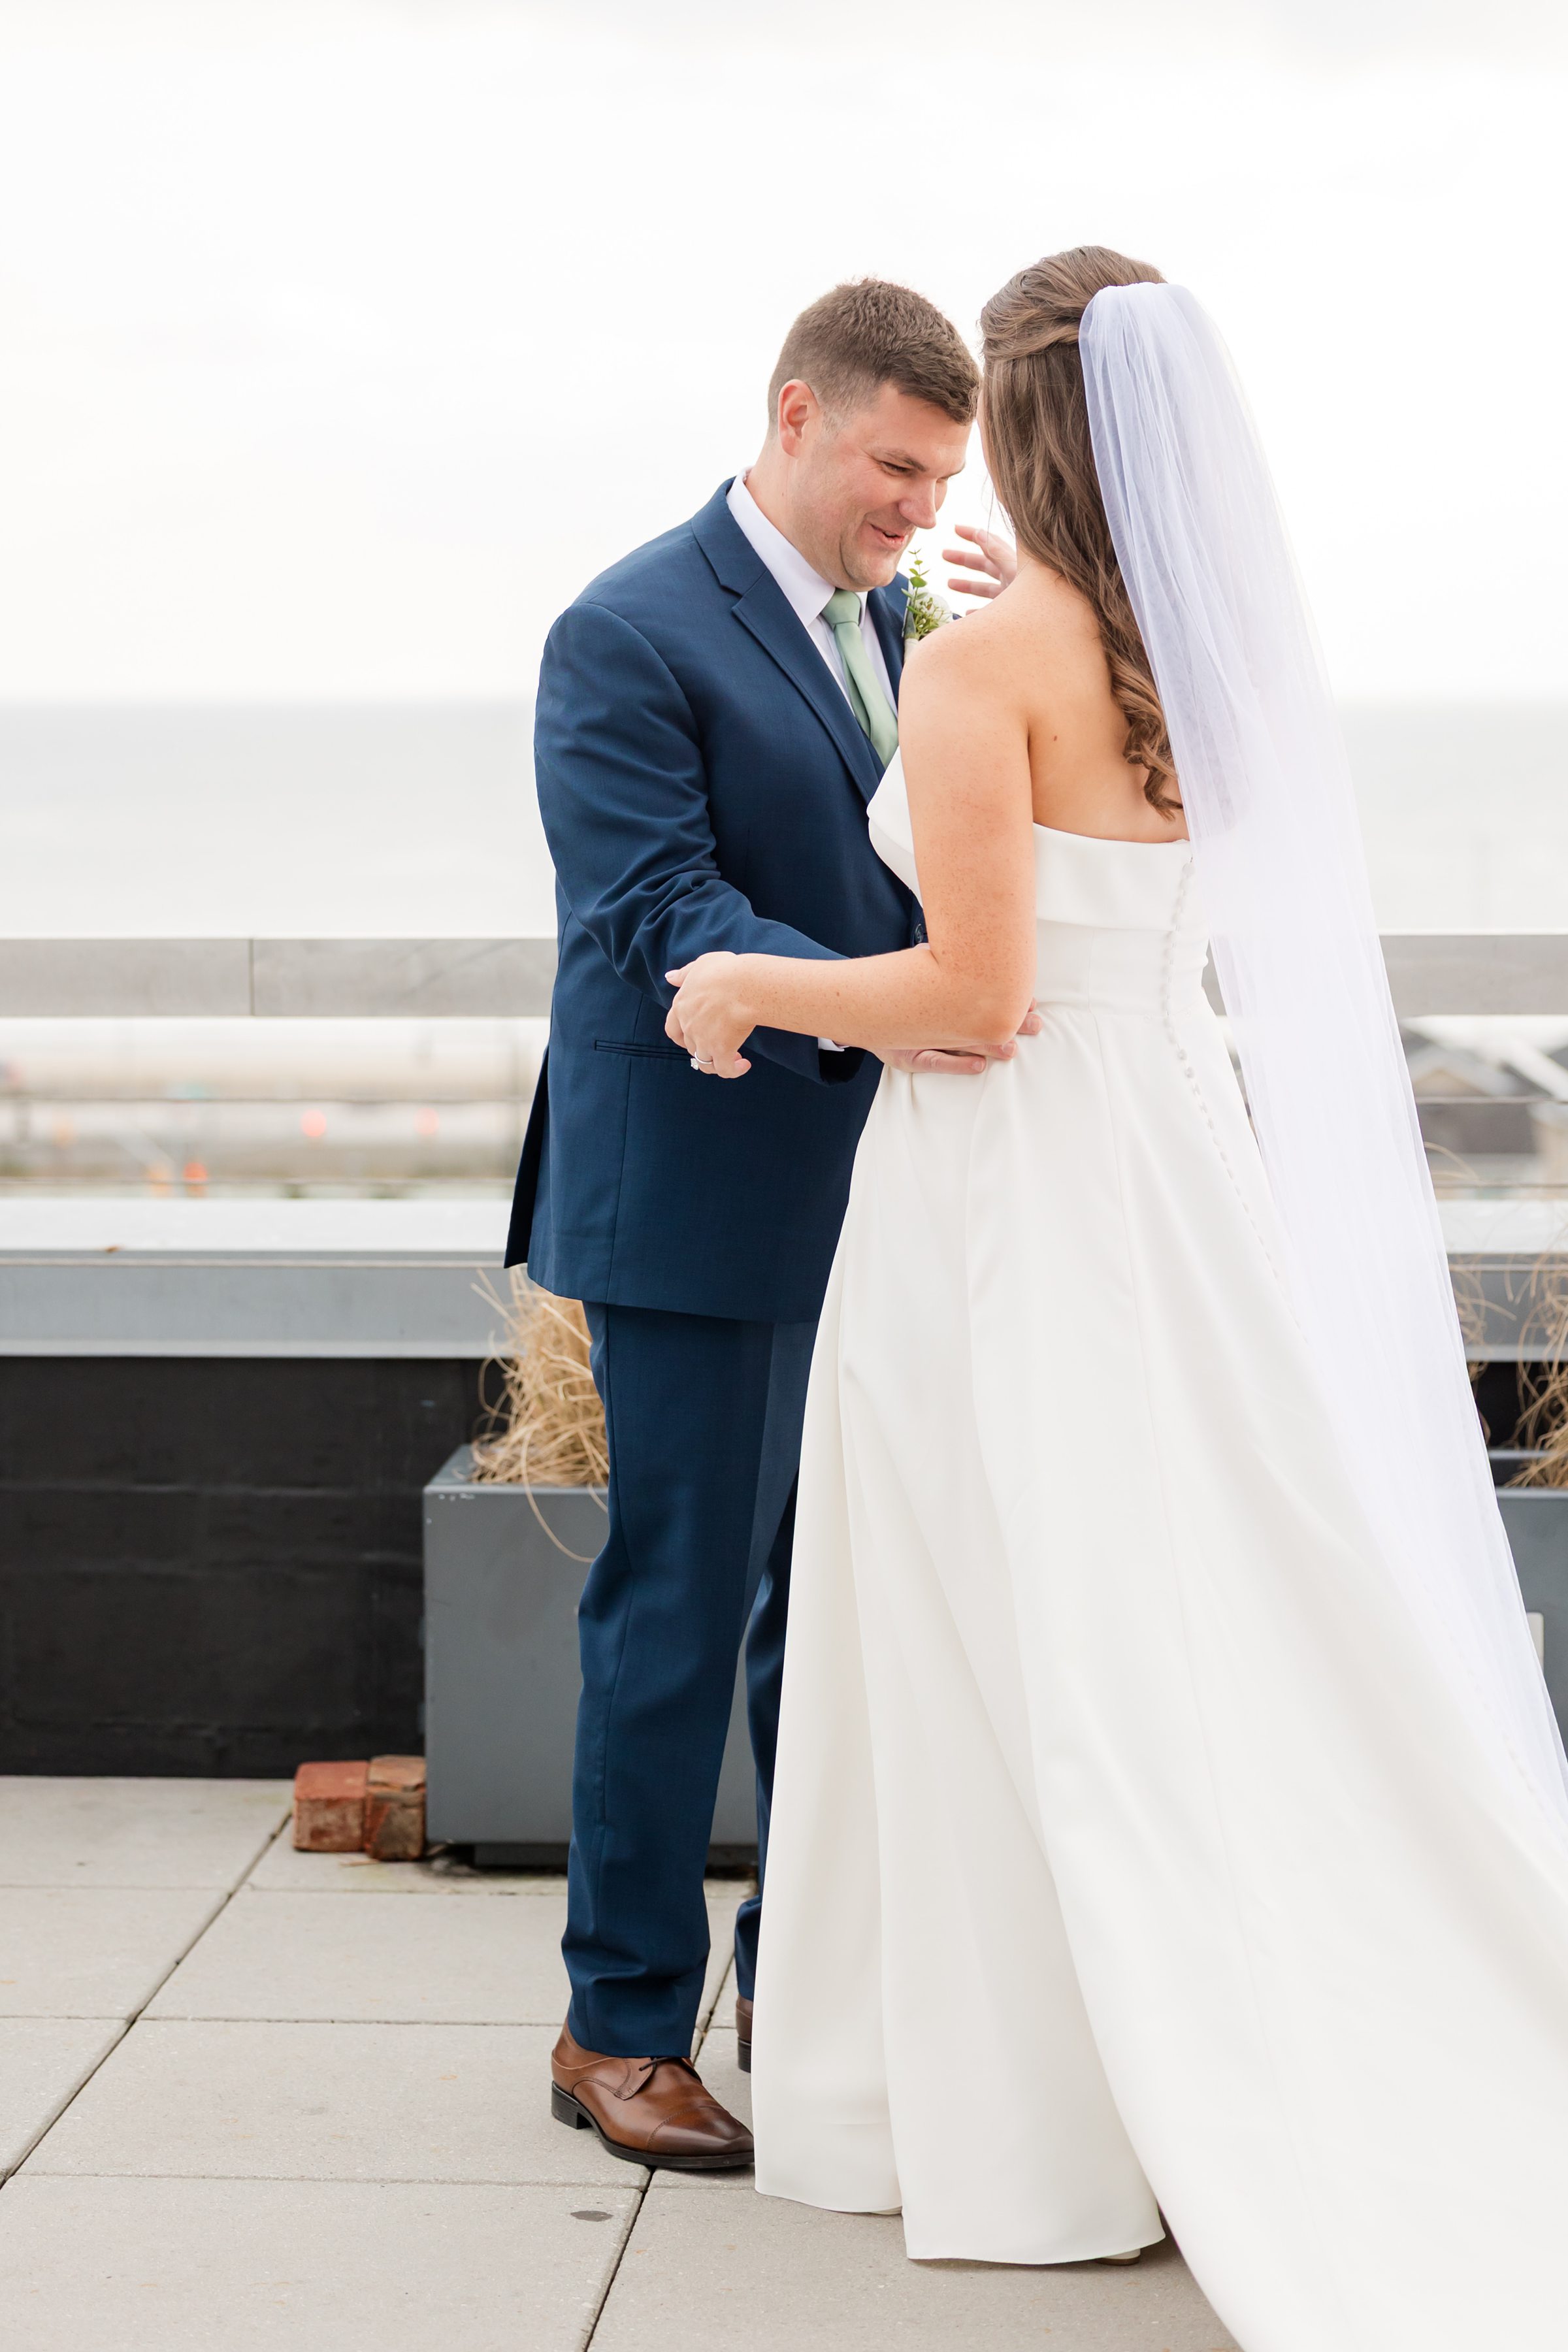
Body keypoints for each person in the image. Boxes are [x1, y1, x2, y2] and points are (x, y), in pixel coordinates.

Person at [665, 247, 1568, 2345]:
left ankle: (1022, 2120)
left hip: (1011, 1197)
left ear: (1025, 426)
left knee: (1000, 1627)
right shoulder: (1185, 657)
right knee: (1184, 1609)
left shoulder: (989, 672)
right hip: (1173, 1170)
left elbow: (975, 996)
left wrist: (746, 988)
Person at [507, 280, 1010, 2170]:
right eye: (893, 465)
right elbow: (660, 910)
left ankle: (795, 1990)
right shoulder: (626, 628)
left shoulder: (912, 616)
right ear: (796, 413)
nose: (910, 505)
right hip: (703, 1193)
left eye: (938, 476)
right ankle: (614, 2028)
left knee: (835, 1623)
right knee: (680, 1613)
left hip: (877, 1184)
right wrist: (924, 1002)